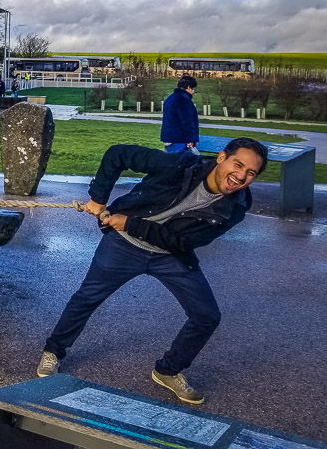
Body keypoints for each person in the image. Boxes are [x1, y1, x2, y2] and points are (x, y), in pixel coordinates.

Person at [36, 138, 268, 405]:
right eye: (238, 164)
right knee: (87, 297)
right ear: (221, 158)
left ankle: (168, 371)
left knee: (207, 316)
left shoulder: (235, 208)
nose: (241, 176)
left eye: (251, 173)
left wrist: (131, 223)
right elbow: (117, 153)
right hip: (123, 246)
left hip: (170, 255)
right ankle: (53, 351)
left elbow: (183, 242)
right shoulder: (180, 164)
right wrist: (98, 199)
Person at [161, 75, 199, 153]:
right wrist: (190, 139)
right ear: (188, 87)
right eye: (193, 88)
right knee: (181, 162)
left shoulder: (170, 98)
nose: (193, 91)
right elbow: (187, 121)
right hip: (180, 139)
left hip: (169, 137)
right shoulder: (184, 100)